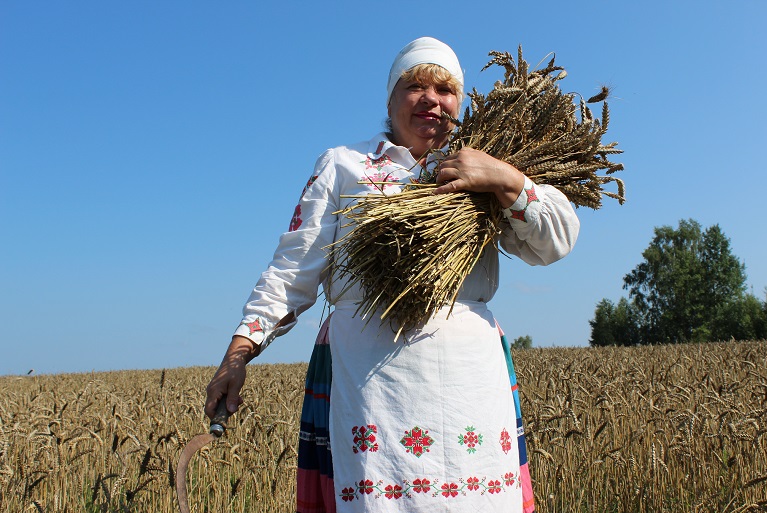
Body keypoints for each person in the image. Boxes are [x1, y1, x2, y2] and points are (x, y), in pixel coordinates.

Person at [205, 36, 580, 513]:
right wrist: (238, 354)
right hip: (368, 381)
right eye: (414, 85)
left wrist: (504, 178)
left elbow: (558, 242)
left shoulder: (487, 165)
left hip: (469, 376)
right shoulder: (345, 165)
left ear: (460, 102)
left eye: (444, 89)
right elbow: (292, 269)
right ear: (390, 98)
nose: (431, 99)